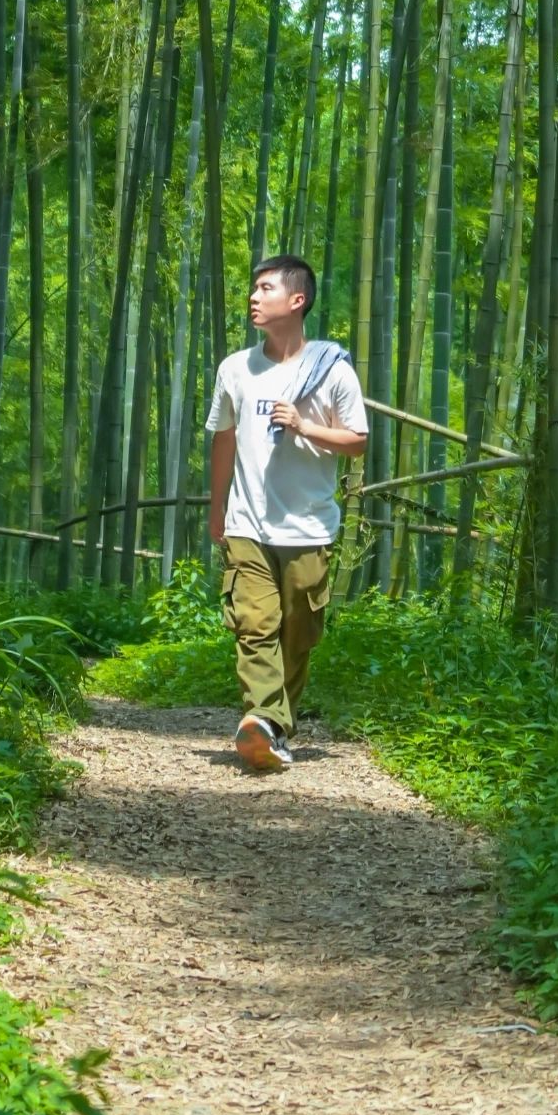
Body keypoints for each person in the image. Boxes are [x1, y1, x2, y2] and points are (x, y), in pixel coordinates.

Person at [205, 254, 369, 772]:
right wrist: (217, 511)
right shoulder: (235, 368)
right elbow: (224, 443)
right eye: (253, 288)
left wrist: (304, 426)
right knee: (256, 624)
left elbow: (357, 441)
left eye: (266, 288)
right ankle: (260, 720)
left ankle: (273, 725)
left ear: (297, 301)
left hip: (308, 524)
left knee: (299, 630)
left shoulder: (333, 370)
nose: (254, 296)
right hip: (247, 522)